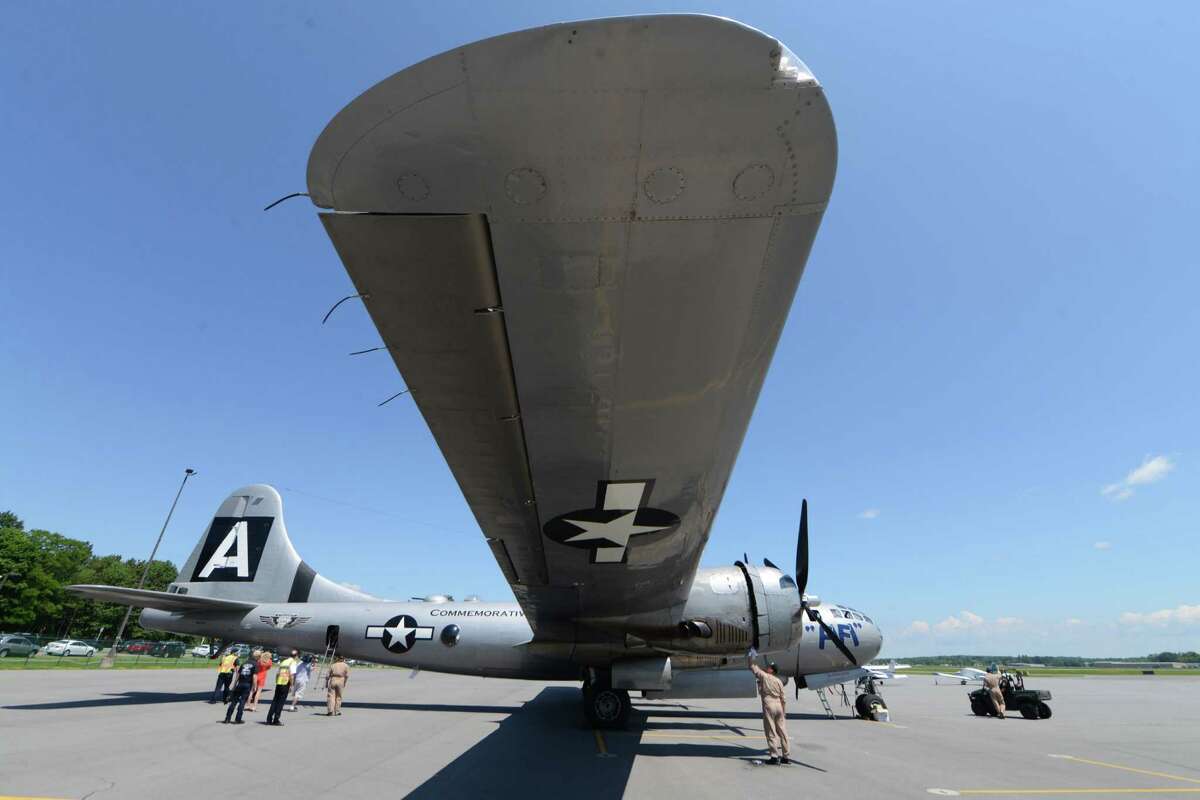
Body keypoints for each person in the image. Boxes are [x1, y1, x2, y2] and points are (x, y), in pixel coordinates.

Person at [748, 648, 790, 765]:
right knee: (782, 732)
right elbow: (783, 698)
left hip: (769, 704)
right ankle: (786, 756)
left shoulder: (765, 676)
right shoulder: (779, 681)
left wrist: (751, 655)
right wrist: (784, 712)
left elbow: (752, 667)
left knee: (770, 731)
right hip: (779, 706)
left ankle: (774, 756)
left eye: (769, 667)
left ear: (772, 670)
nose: (767, 668)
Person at [265, 651, 297, 725]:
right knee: (281, 702)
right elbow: (291, 675)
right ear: (296, 656)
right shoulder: (293, 662)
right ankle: (276, 719)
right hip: (285, 683)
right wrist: (292, 685)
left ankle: (269, 719)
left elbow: (277, 673)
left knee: (275, 701)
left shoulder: (284, 661)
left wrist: (277, 681)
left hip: (279, 682)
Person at [223, 658, 257, 724]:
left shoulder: (243, 663)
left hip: (240, 684)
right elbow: (254, 676)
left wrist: (234, 685)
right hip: (247, 685)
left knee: (234, 701)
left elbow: (237, 675)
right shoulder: (255, 664)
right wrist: (254, 686)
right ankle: (238, 719)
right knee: (242, 702)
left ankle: (227, 718)